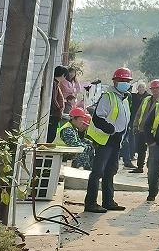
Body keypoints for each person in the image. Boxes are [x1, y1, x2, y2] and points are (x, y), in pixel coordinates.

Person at [84, 68, 133, 213]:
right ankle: (91, 203)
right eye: (122, 80)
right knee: (98, 172)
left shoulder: (124, 98)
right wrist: (111, 130)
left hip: (116, 142)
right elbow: (98, 118)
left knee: (110, 172)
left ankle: (108, 201)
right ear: (115, 81)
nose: (125, 83)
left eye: (127, 81)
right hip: (104, 141)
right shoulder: (108, 96)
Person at [131, 79, 159, 172]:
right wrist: (135, 125)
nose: (155, 90)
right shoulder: (146, 100)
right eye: (153, 88)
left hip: (155, 131)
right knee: (141, 150)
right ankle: (140, 167)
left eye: (157, 88)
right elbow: (139, 113)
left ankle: (151, 169)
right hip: (142, 129)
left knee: (153, 151)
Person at [55, 106, 94, 171]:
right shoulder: (67, 129)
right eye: (80, 120)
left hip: (65, 150)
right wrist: (86, 147)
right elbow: (74, 144)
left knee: (88, 147)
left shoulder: (73, 128)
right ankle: (78, 171)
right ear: (74, 119)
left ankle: (88, 169)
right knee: (83, 150)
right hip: (60, 151)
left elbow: (78, 141)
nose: (82, 122)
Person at [122, 81, 148, 168]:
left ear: (145, 89)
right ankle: (130, 156)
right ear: (137, 88)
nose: (141, 89)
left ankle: (141, 163)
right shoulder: (133, 96)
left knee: (140, 143)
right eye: (140, 87)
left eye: (143, 87)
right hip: (132, 120)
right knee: (130, 139)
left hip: (144, 123)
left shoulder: (148, 98)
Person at [47, 65, 71, 143]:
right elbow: (53, 99)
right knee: (51, 135)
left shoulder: (55, 84)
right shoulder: (54, 84)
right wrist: (59, 108)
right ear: (63, 75)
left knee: (52, 134)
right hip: (54, 114)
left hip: (55, 115)